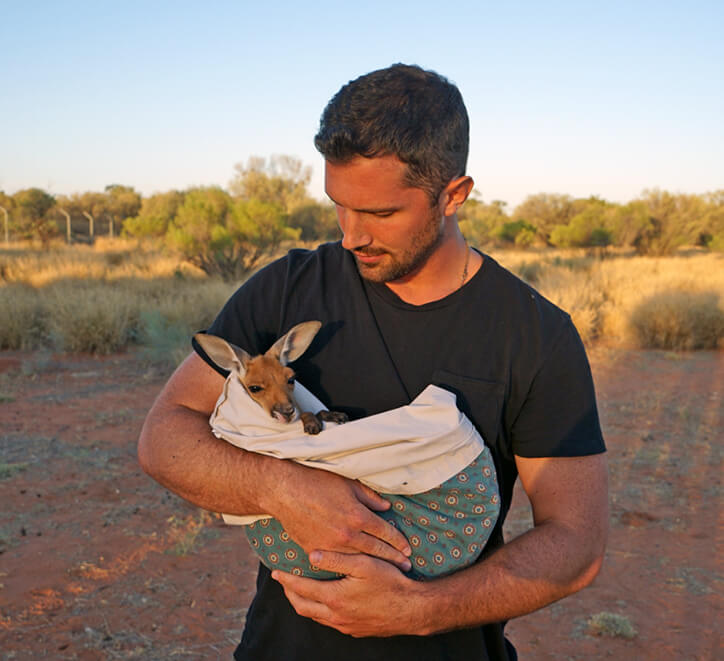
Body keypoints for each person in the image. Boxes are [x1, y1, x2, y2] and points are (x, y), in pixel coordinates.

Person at [138, 63, 609, 661]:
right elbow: (164, 437)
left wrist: (422, 611)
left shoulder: (536, 336)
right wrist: (282, 488)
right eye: (339, 205)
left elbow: (576, 543)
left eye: (382, 214)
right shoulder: (286, 289)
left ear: (454, 196)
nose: (351, 235)